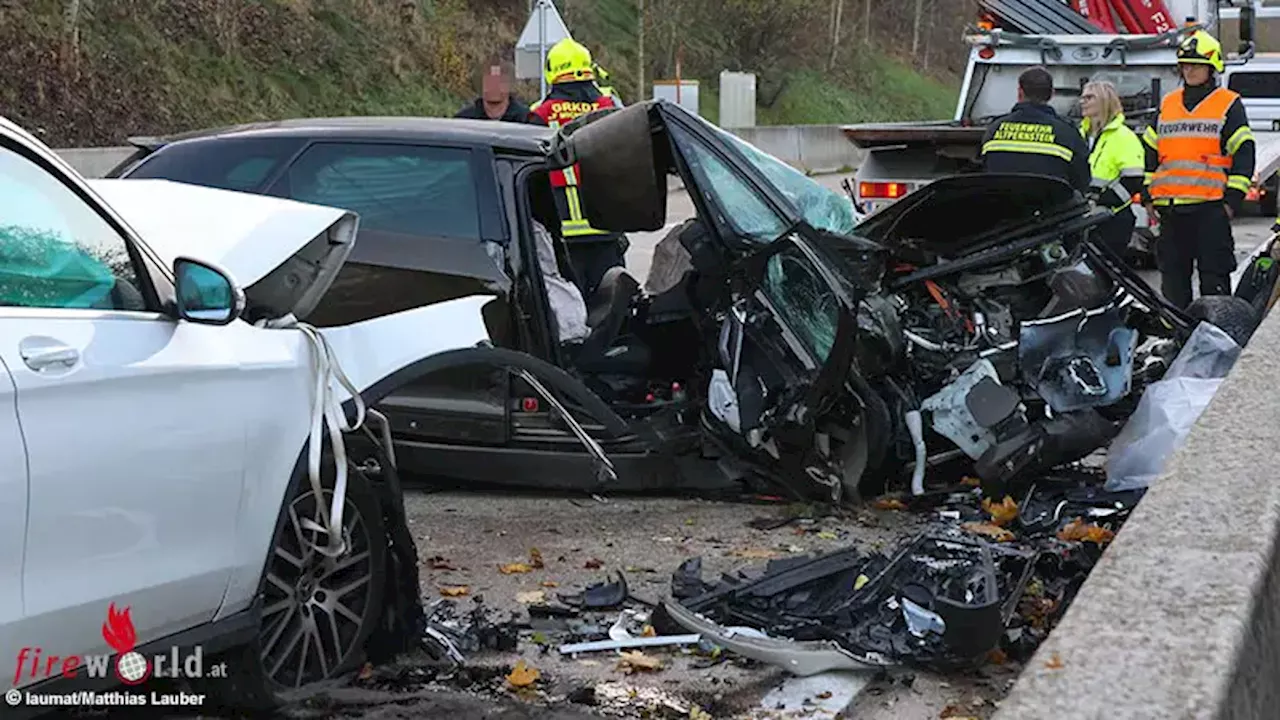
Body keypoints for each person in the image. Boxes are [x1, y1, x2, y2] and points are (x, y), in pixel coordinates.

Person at [1142, 29, 1255, 309]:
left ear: (1211, 67)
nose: (1189, 70)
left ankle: (1216, 341)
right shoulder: (1168, 103)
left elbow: (1244, 153)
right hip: (1171, 211)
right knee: (1173, 282)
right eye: (1185, 65)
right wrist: (1147, 195)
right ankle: (1177, 342)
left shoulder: (1228, 103)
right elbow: (1149, 151)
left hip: (1210, 210)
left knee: (1214, 281)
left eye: (1196, 65)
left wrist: (1232, 201)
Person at [527, 38, 628, 296]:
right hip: (607, 228)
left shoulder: (540, 114)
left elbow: (531, 175)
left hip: (562, 232)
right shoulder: (610, 107)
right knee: (613, 305)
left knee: (570, 310)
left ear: (552, 70)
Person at [980, 66, 1092, 193]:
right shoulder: (1068, 133)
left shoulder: (994, 129)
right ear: (1052, 94)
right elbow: (1082, 181)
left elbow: (985, 171)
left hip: (1004, 208)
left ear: (1020, 92)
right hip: (1052, 209)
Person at [1079, 80, 1146, 257]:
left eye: (1089, 97)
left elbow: (1133, 180)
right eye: (1082, 97)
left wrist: (1101, 201)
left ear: (1104, 101)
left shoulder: (1124, 137)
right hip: (1082, 218)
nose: (1082, 101)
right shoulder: (1079, 135)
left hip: (1112, 219)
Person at [454, 56, 532, 122]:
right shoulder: (464, 120)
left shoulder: (525, 119)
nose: (494, 86)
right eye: (490, 81)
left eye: (499, 81)